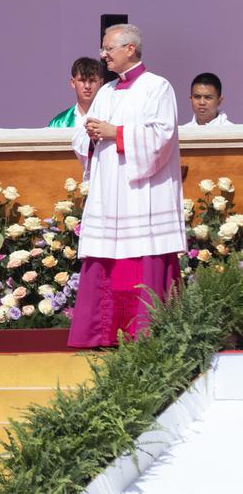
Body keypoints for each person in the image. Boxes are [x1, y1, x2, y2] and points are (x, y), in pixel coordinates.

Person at [69, 24, 186, 348]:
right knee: (106, 259)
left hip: (140, 195)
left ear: (130, 49)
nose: (103, 54)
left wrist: (116, 133)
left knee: (139, 264)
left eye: (108, 48)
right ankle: (102, 334)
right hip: (110, 193)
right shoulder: (106, 92)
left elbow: (162, 136)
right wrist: (91, 135)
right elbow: (82, 136)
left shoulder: (157, 88)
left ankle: (145, 333)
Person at [47, 57, 104, 128]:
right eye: (82, 80)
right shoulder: (58, 123)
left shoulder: (109, 118)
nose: (87, 86)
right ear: (73, 82)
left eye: (92, 81)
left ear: (101, 83)